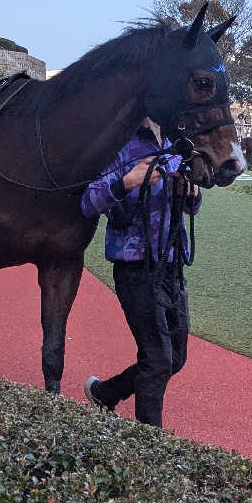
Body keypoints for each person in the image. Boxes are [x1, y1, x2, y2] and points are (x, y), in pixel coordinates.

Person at [80, 118, 201, 428]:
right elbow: (88, 202)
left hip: (171, 264)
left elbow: (193, 206)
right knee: (158, 359)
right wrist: (129, 181)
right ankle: (149, 445)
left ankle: (106, 393)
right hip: (135, 267)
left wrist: (190, 193)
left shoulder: (178, 144)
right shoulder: (119, 144)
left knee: (175, 358)